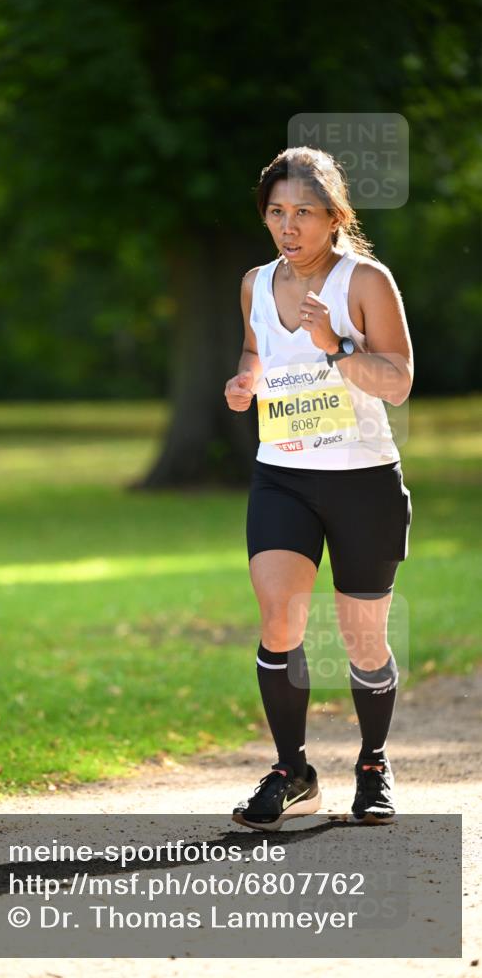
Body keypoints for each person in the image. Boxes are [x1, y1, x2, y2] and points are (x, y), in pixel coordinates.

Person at [224, 146, 413, 830]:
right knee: (278, 617)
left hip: (362, 480)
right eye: (276, 211)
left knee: (362, 640)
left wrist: (337, 345)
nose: (288, 225)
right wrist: (243, 382)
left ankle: (371, 762)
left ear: (333, 217)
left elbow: (397, 381)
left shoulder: (363, 281)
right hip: (283, 477)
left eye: (303, 211)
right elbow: (255, 351)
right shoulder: (254, 283)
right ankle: (291, 768)